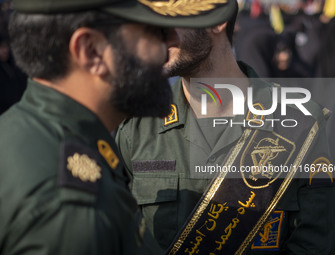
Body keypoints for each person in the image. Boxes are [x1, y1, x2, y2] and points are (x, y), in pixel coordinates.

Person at [0, 0, 234, 254]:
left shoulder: (30, 132)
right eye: (154, 31)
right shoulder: (73, 209)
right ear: (91, 50)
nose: (171, 42)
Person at [116, 0, 335, 253]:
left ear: (215, 20)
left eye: (169, 19)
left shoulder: (300, 123)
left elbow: (315, 244)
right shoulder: (136, 129)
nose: (154, 35)